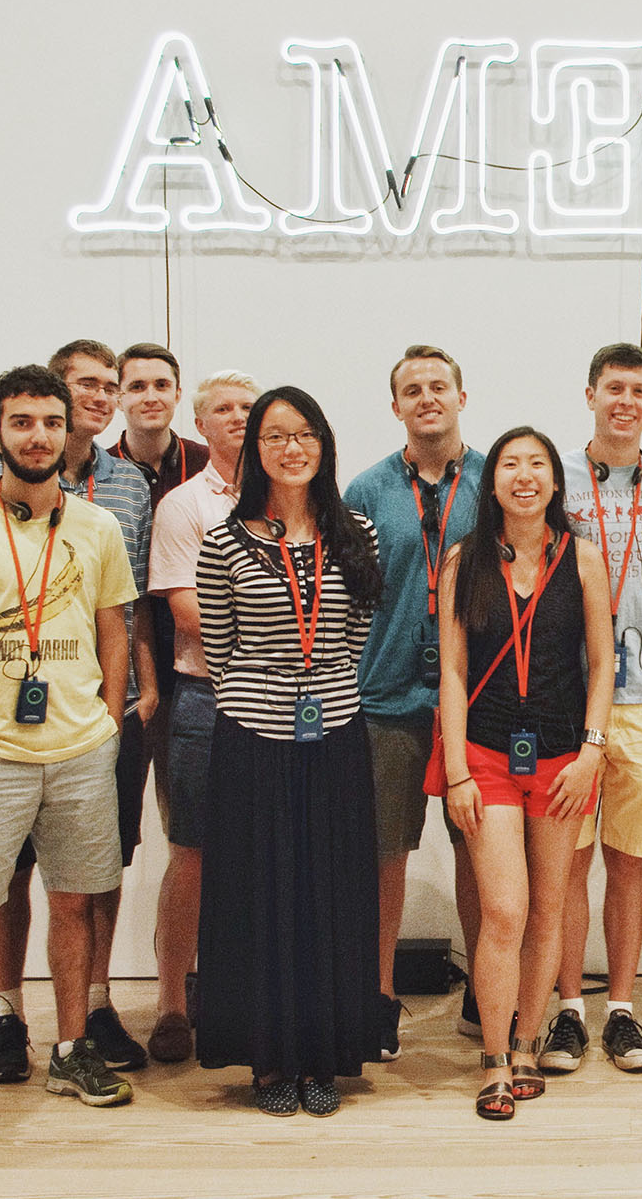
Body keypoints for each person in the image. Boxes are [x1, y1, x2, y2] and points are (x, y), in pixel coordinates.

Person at [0, 365, 139, 1121]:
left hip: (81, 746)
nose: (39, 435)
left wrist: (110, 720)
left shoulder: (98, 526)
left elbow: (115, 627)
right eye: (22, 422)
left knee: (75, 902)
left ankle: (72, 1049)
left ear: (67, 432)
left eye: (50, 421)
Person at [194, 387, 386, 1116]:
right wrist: (267, 692)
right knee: (261, 894)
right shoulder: (224, 540)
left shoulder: (354, 531)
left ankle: (322, 1058)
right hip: (252, 737)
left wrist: (323, 682)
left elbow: (357, 634)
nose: (290, 447)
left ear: (324, 445)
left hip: (335, 728)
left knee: (330, 893)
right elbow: (220, 648)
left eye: (304, 433)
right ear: (255, 452)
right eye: (275, 436)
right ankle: (271, 1061)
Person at [435, 427, 614, 1118]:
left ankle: (529, 1042)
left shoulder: (585, 559)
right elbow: (452, 670)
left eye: (537, 464)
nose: (524, 476)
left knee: (548, 909)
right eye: (510, 464)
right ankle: (493, 1060)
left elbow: (603, 665)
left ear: (556, 482)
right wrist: (455, 772)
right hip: (484, 756)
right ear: (493, 483)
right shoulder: (464, 559)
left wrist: (594, 752)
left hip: (565, 757)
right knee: (505, 911)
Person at [540, 344, 642, 1076]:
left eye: (639, 390)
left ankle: (621, 1010)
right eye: (613, 388)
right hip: (570, 697)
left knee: (629, 861)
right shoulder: (553, 476)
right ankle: (568, 1010)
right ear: (590, 393)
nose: (625, 401)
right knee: (568, 862)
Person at [344, 345, 486, 1058]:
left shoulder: (499, 481)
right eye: (412, 389)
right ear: (394, 405)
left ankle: (485, 997)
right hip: (387, 696)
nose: (427, 397)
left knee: (481, 854)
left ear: (462, 396)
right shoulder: (366, 491)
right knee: (382, 855)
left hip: (478, 698)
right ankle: (377, 998)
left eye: (439, 386)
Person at [144, 369, 259, 1063]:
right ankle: (170, 1003)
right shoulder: (185, 506)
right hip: (206, 700)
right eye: (224, 408)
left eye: (249, 405)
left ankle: (245, 994)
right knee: (192, 853)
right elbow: (189, 609)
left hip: (283, 707)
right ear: (202, 422)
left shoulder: (296, 501)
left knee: (266, 855)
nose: (238, 417)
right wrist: (274, 642)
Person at [108, 342, 210, 858]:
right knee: (107, 840)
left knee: (191, 834)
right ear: (119, 397)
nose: (151, 396)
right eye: (137, 386)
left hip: (199, 673)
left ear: (177, 393)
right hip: (123, 676)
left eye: (161, 385)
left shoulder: (210, 464)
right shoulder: (99, 474)